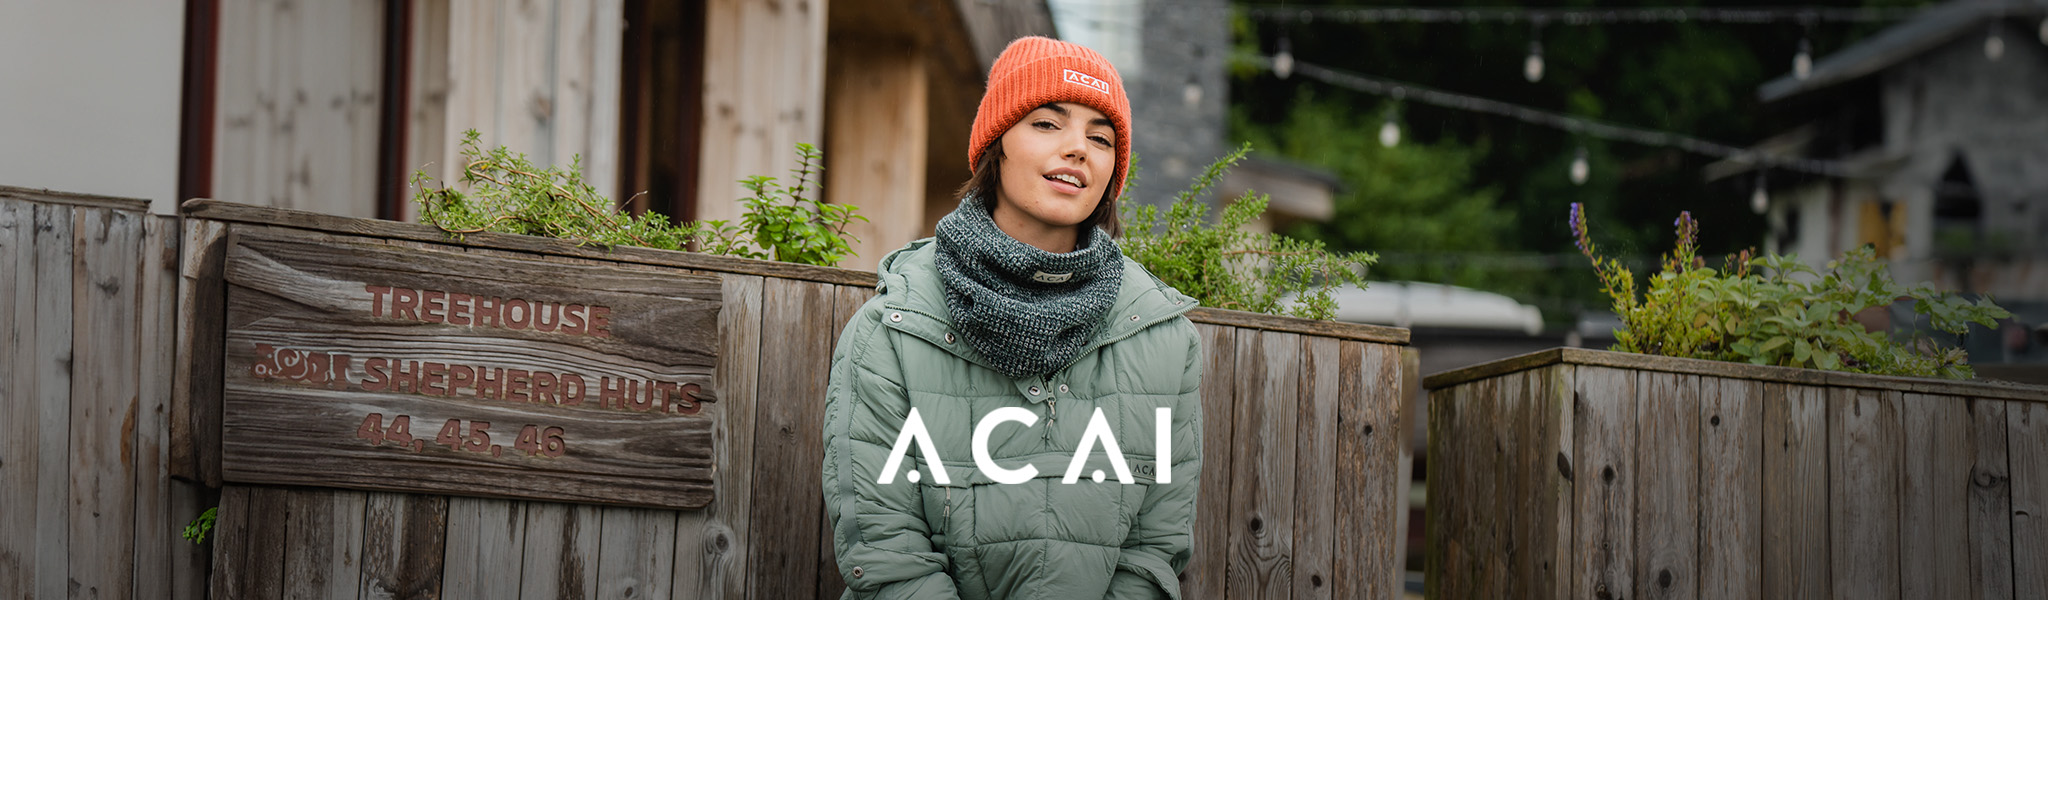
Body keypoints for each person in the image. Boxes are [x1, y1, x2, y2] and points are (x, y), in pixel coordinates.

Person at [821, 36, 1202, 599]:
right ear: (997, 144)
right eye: (1048, 124)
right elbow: (884, 552)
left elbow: (1154, 551)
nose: (1078, 149)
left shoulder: (1164, 338)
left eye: (1101, 138)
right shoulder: (893, 328)